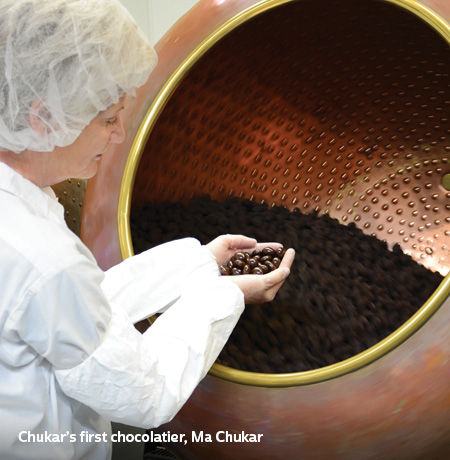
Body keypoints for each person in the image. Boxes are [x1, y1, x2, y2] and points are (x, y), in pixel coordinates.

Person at [0, 1, 295, 459]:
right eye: (108, 119)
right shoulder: (43, 257)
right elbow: (145, 391)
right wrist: (228, 294)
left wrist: (198, 262)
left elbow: (79, 312)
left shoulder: (19, 201)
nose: (119, 136)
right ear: (44, 118)